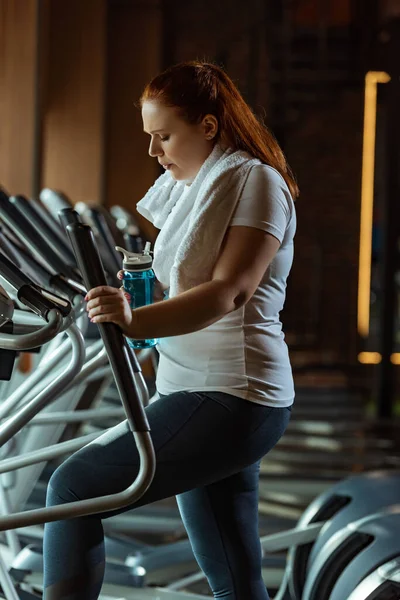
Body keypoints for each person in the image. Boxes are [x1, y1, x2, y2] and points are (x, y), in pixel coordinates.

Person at [43, 60, 298, 600]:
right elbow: (185, 290)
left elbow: (230, 291)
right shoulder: (200, 187)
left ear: (208, 126)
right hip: (198, 389)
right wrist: (138, 305)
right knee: (234, 578)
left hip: (232, 393)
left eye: (163, 136)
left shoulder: (256, 182)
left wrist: (135, 319)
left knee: (71, 487)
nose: (154, 153)